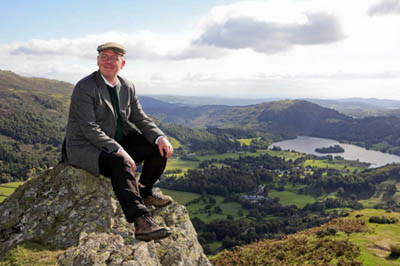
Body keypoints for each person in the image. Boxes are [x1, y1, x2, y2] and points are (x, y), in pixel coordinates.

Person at [63, 42, 174, 241]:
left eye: (113, 57)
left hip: (115, 139)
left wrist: (160, 137)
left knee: (157, 148)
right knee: (120, 162)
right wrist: (119, 150)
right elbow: (89, 128)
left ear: (122, 63)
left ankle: (145, 192)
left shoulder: (127, 86)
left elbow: (140, 117)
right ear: (97, 61)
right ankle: (141, 221)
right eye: (103, 57)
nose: (108, 61)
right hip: (86, 146)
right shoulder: (85, 87)